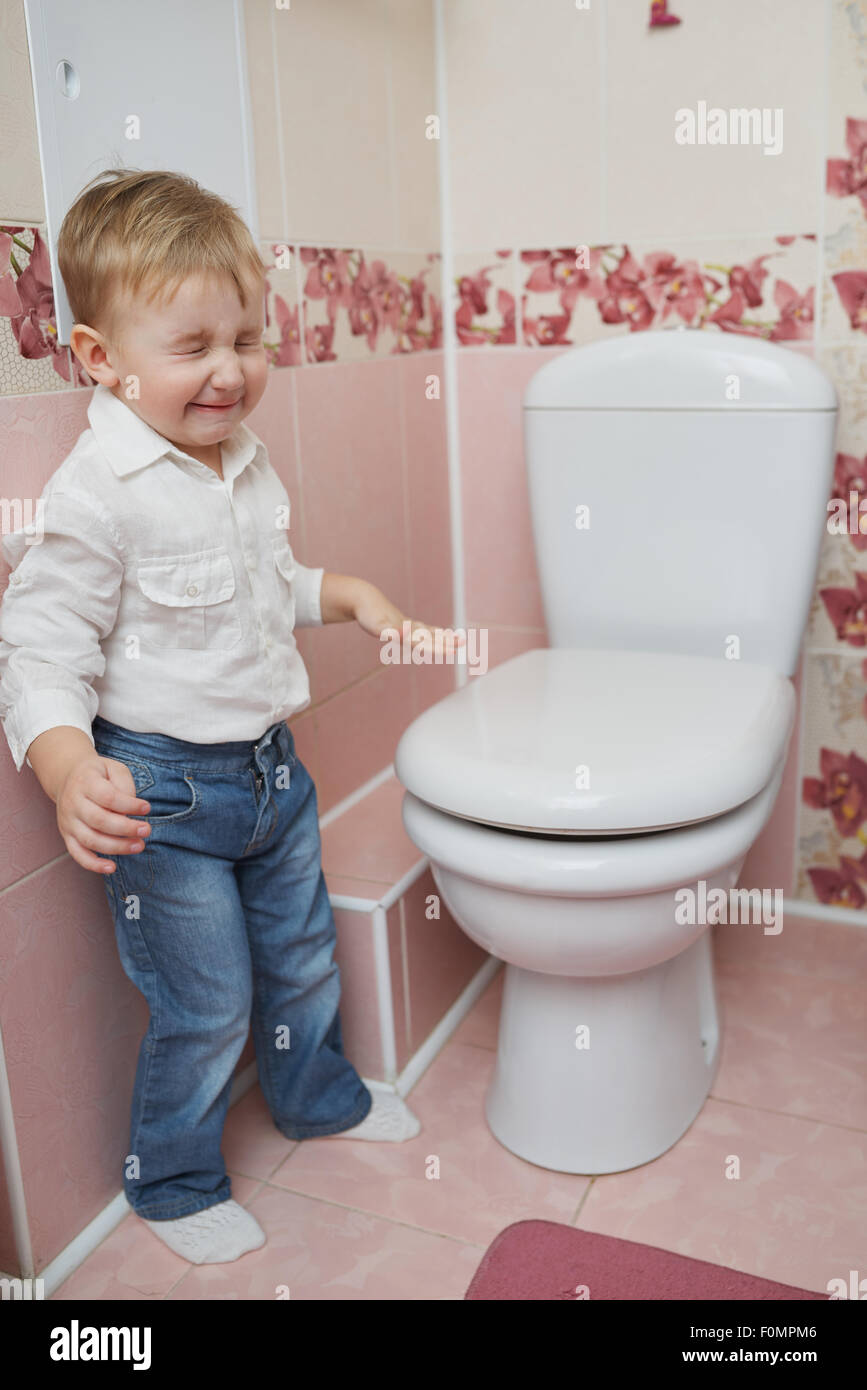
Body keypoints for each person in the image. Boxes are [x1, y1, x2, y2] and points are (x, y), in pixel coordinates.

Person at [0, 167, 461, 1266]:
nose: (230, 370)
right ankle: (172, 1178)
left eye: (247, 339)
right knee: (205, 1000)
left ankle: (317, 1098)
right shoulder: (97, 492)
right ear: (103, 360)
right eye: (194, 345)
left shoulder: (240, 465)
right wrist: (68, 771)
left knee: (301, 959)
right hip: (162, 796)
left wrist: (348, 597)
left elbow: (262, 588)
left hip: (269, 773)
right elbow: (39, 651)